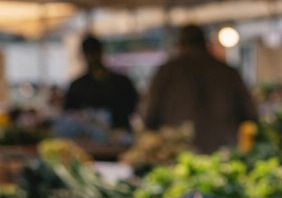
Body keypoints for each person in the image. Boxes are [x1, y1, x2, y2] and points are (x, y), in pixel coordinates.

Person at [142, 24, 258, 153]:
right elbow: (250, 114)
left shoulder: (167, 72)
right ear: (206, 45)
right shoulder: (228, 72)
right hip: (222, 150)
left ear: (180, 45)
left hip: (178, 152)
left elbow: (149, 115)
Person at [64, 34, 139, 129]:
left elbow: (69, 114)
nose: (92, 57)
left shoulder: (77, 85)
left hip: (111, 137)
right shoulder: (122, 82)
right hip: (96, 138)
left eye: (93, 52)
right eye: (90, 53)